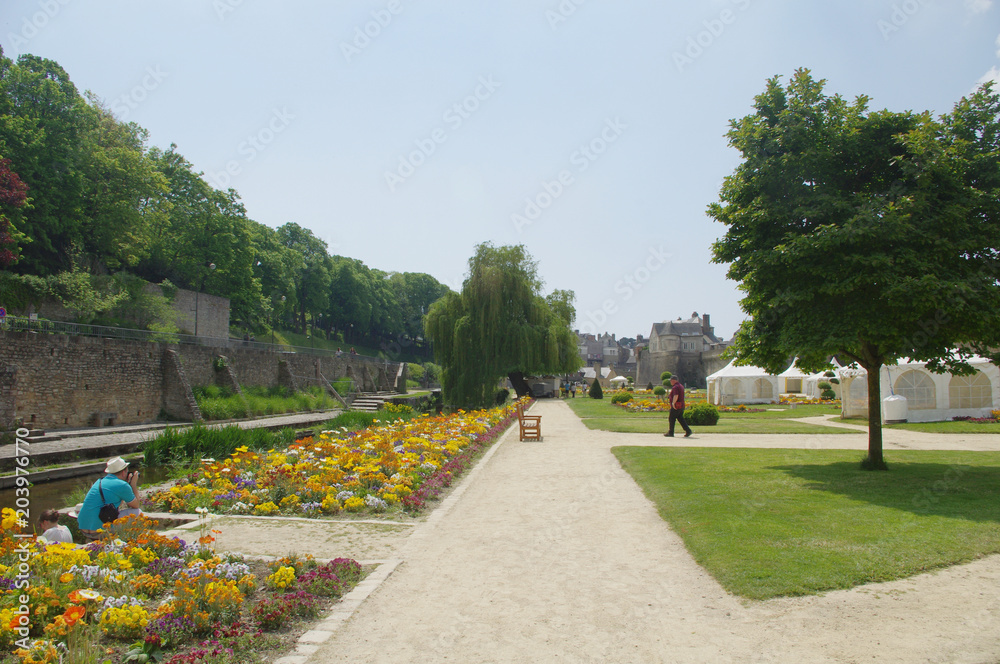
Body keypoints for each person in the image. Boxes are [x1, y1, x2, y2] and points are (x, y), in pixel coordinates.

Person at [77, 457, 143, 540]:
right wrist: (133, 485)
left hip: (84, 529)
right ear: (124, 472)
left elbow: (117, 505)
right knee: (138, 513)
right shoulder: (122, 485)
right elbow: (136, 505)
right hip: (101, 531)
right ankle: (130, 540)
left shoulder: (99, 481)